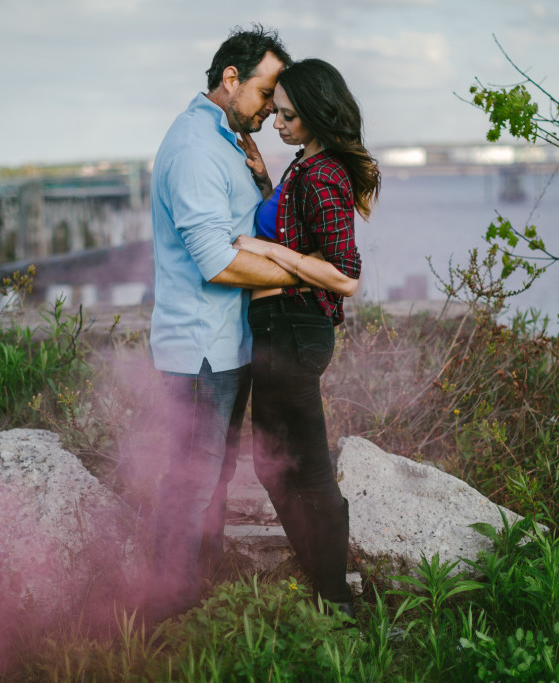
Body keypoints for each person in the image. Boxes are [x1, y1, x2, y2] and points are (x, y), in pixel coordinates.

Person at [146, 26, 298, 620]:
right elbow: (215, 260)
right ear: (231, 80)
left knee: (212, 479)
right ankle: (167, 615)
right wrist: (306, 277)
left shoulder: (225, 139)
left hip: (226, 345)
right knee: (192, 484)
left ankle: (198, 594)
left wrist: (263, 180)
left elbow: (245, 223)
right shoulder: (194, 148)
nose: (270, 109)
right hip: (201, 352)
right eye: (265, 94)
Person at [232, 58, 381, 619]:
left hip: (294, 328)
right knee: (276, 465)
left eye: (291, 115)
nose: (278, 122)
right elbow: (295, 225)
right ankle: (329, 588)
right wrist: (265, 182)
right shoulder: (305, 165)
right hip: (281, 327)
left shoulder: (322, 176)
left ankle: (336, 600)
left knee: (305, 468)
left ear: (318, 114)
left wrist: (271, 252)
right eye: (279, 112)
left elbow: (346, 273)